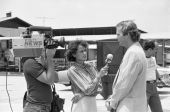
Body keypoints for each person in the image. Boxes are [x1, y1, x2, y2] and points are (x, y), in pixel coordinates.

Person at [105, 20, 147, 112]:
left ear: (127, 35)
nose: (116, 38)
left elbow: (124, 83)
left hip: (129, 106)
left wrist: (112, 102)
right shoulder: (137, 51)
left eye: (118, 34)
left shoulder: (133, 53)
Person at [56, 40, 108, 112]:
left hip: (92, 104)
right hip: (81, 105)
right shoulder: (73, 70)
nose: (85, 53)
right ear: (74, 54)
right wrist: (98, 77)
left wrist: (82, 94)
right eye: (81, 51)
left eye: (85, 50)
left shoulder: (90, 66)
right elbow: (87, 89)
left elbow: (99, 88)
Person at [23, 46, 58, 111]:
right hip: (35, 107)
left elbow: (54, 78)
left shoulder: (40, 63)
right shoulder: (31, 63)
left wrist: (45, 64)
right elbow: (50, 81)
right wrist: (49, 58)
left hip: (41, 107)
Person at [143, 40, 163, 112]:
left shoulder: (153, 59)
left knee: (158, 110)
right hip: (143, 88)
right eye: (156, 49)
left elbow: (154, 70)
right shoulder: (140, 59)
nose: (156, 51)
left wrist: (160, 80)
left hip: (154, 87)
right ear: (149, 49)